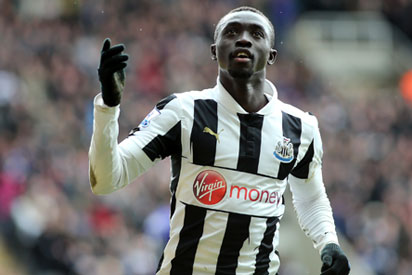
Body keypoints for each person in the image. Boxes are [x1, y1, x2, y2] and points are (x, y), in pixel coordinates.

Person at [89, 6, 350, 275]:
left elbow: (310, 197)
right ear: (215, 51)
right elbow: (107, 180)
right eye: (232, 32)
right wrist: (108, 107)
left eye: (256, 34)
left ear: (271, 55)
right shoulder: (182, 111)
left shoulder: (300, 127)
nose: (244, 39)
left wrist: (329, 242)